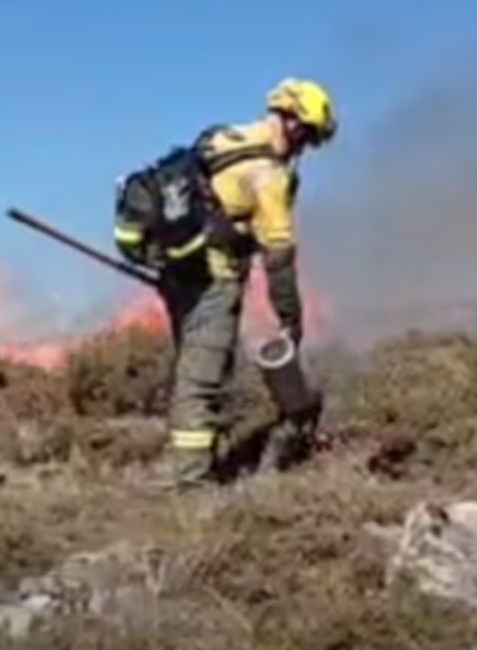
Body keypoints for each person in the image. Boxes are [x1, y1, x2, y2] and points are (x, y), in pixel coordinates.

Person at [112, 78, 337, 490]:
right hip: (213, 279)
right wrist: (290, 321)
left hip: (178, 272)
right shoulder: (268, 175)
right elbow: (278, 257)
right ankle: (192, 482)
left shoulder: (223, 138)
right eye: (308, 137)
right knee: (201, 378)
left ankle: (204, 461)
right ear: (294, 123)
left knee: (200, 366)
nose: (305, 149)